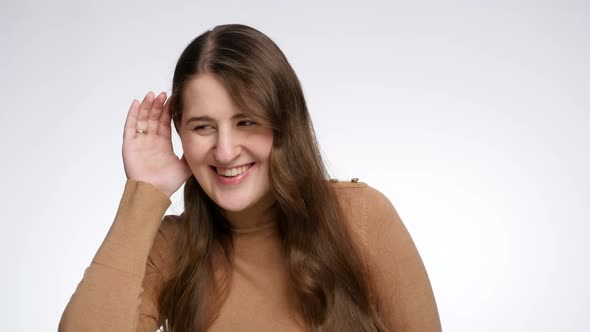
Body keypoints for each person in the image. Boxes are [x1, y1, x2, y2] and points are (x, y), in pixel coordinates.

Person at [58, 24, 442, 332]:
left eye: (246, 122)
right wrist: (144, 192)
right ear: (179, 131)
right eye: (203, 127)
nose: (225, 151)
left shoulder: (359, 217)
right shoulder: (171, 249)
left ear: (283, 122)